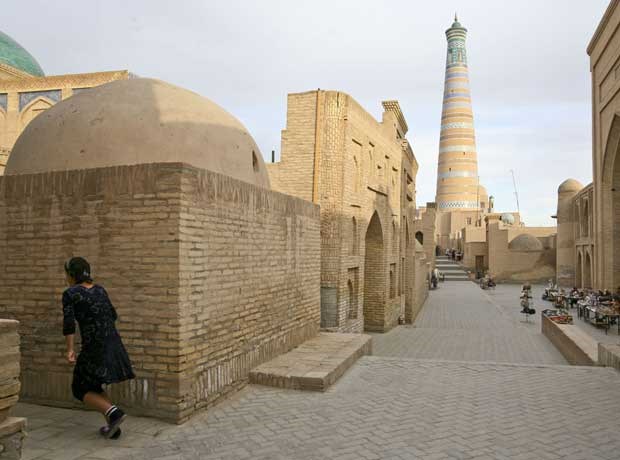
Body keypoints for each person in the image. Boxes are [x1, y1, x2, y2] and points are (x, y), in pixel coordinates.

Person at [62, 257, 135, 439]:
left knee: (79, 388)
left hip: (94, 347)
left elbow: (69, 324)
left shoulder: (70, 294)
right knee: (93, 385)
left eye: (67, 274)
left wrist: (70, 349)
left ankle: (114, 413)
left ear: (72, 275)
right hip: (113, 343)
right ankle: (113, 426)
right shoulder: (100, 290)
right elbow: (113, 315)